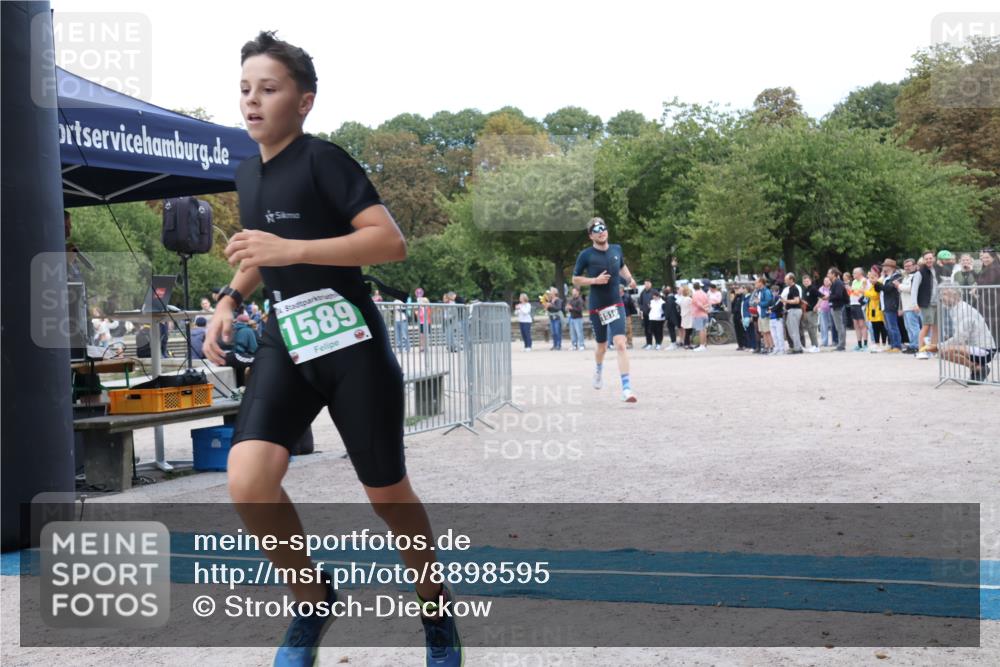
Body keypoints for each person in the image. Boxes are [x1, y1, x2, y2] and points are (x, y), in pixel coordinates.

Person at [202, 32, 462, 667]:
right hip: (285, 342)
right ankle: (313, 598)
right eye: (244, 89)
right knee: (248, 481)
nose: (252, 101)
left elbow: (388, 242)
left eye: (269, 88)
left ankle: (435, 609)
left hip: (351, 343)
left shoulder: (325, 161)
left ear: (305, 100)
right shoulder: (247, 174)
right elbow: (262, 254)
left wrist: (290, 251)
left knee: (386, 494)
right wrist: (229, 299)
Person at [572, 217, 638, 402]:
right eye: (596, 229)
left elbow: (622, 266)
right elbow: (575, 279)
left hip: (615, 303)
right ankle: (599, 370)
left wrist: (629, 279)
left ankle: (627, 389)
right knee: (601, 346)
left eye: (603, 228)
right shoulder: (586, 255)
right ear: (590, 235)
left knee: (620, 343)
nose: (601, 231)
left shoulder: (617, 249)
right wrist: (594, 281)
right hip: (597, 306)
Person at [934, 285, 997, 382]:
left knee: (943, 350)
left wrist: (938, 346)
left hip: (985, 350)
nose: (942, 298)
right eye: (942, 294)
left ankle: (978, 369)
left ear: (956, 296)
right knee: (943, 351)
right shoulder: (956, 309)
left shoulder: (963, 311)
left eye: (945, 294)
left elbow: (959, 339)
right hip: (976, 348)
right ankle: (977, 368)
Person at [912, 251, 939, 360]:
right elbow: (914, 289)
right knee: (926, 326)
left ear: (934, 259)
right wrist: (915, 304)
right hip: (926, 303)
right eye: (926, 258)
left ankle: (932, 350)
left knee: (936, 327)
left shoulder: (937, 270)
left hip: (937, 303)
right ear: (923, 260)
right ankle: (921, 350)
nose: (929, 260)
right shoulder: (920, 272)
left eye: (930, 258)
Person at [874, 259, 903, 352]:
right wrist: (879, 280)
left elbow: (888, 288)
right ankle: (892, 344)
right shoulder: (885, 277)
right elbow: (877, 289)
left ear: (890, 267)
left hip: (891, 304)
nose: (883, 267)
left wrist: (878, 284)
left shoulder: (896, 276)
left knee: (893, 326)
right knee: (888, 327)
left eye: (885, 266)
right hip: (884, 304)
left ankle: (897, 345)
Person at [898, 257, 921, 353]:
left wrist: (898, 286)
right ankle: (912, 344)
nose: (907, 268)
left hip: (912, 305)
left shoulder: (916, 275)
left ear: (915, 266)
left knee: (914, 327)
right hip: (906, 306)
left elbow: (910, 288)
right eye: (905, 266)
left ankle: (916, 345)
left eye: (909, 266)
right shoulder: (906, 277)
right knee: (908, 327)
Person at [826, 268, 849, 351]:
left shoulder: (838, 283)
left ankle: (841, 345)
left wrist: (829, 297)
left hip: (838, 306)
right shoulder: (834, 283)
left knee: (839, 326)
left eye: (829, 273)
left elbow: (838, 295)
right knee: (838, 326)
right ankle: (840, 343)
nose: (827, 275)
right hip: (835, 306)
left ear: (833, 274)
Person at [780, 272, 804, 354]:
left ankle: (797, 348)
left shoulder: (794, 288)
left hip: (794, 311)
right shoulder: (790, 288)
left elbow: (797, 300)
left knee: (794, 330)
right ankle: (797, 346)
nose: (785, 281)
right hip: (791, 311)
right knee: (790, 330)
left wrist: (785, 301)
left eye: (786, 280)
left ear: (791, 279)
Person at [864, 266, 886, 352]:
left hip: (878, 308)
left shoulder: (879, 283)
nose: (870, 280)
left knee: (881, 327)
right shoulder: (873, 285)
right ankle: (877, 344)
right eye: (870, 278)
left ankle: (884, 344)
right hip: (873, 308)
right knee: (875, 327)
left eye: (873, 277)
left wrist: (864, 292)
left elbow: (874, 295)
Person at [848, 267, 868, 351]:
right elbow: (851, 293)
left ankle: (865, 344)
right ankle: (859, 344)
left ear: (860, 273)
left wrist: (852, 291)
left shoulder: (864, 281)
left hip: (860, 305)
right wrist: (851, 291)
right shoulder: (854, 281)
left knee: (862, 325)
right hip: (853, 304)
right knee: (856, 325)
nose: (853, 275)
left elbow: (861, 292)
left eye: (854, 273)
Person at [800, 275, 821, 352]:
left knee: (813, 329)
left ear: (810, 281)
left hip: (812, 311)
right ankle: (813, 345)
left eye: (807, 281)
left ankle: (816, 346)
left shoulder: (813, 288)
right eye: (804, 281)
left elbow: (821, 297)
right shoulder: (805, 290)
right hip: (807, 311)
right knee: (809, 329)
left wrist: (817, 306)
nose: (806, 282)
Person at [690, 282, 711, 352]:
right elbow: (708, 303)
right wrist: (706, 310)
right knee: (704, 330)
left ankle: (701, 345)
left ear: (694, 287)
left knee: (701, 330)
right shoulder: (704, 293)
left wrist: (704, 309)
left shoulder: (695, 294)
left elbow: (698, 304)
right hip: (705, 314)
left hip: (698, 314)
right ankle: (704, 344)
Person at [767, 282, 786, 355]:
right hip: (771, 319)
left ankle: (782, 349)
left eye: (775, 291)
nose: (774, 293)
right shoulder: (771, 299)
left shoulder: (779, 298)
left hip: (778, 318)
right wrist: (769, 309)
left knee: (779, 334)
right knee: (774, 335)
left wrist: (770, 309)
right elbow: (768, 307)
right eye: (772, 291)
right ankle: (776, 348)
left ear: (778, 291)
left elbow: (776, 307)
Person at [663, 286, 681, 350]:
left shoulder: (669, 298)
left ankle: (673, 343)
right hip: (673, 317)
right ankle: (674, 343)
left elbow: (668, 309)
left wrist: (666, 318)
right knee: (672, 330)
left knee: (671, 330)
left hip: (671, 317)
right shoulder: (672, 298)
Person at [818, 276, 833, 347]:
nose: (826, 282)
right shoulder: (821, 288)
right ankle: (824, 342)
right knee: (823, 326)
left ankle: (834, 341)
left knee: (833, 326)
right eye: (825, 281)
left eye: (827, 280)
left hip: (831, 308)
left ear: (830, 281)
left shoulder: (833, 288)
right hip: (823, 309)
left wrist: (825, 297)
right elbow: (820, 298)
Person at [639, 279, 654, 349]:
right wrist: (641, 311)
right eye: (645, 284)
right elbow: (640, 303)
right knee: (646, 329)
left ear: (650, 284)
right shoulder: (642, 292)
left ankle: (651, 343)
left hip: (652, 314)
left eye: (648, 283)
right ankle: (648, 343)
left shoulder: (654, 292)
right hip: (645, 314)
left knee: (650, 329)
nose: (646, 285)